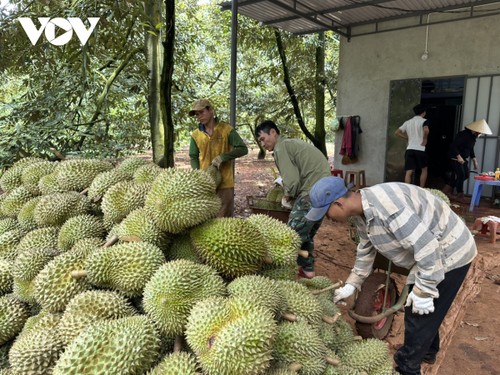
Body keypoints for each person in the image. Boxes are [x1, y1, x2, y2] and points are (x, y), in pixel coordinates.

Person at [305, 176, 477, 375]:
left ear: (338, 203)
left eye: (326, 213)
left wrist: (425, 289)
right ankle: (428, 351)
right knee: (426, 310)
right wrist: (353, 283)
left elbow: (428, 248)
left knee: (417, 311)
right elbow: (366, 247)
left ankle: (408, 367)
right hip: (430, 250)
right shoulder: (362, 212)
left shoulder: (388, 209)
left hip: (450, 250)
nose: (327, 218)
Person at [255, 120, 331, 279]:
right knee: (306, 233)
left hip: (311, 192)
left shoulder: (281, 147)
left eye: (263, 138)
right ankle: (308, 270)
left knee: (290, 236)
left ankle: (280, 274)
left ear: (273, 133)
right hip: (325, 192)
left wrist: (287, 195)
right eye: (260, 141)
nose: (263, 143)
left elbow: (293, 181)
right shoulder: (290, 144)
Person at [189, 99, 248, 217]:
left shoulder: (226, 130)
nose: (199, 117)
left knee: (223, 220)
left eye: (201, 112)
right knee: (205, 220)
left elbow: (243, 149)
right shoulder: (195, 135)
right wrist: (197, 173)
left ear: (211, 110)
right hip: (205, 183)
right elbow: (193, 156)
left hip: (225, 183)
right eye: (197, 115)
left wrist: (223, 157)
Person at [442, 119, 492, 202]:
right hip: (455, 158)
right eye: (479, 132)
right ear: (475, 130)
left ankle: (445, 191)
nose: (479, 134)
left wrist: (474, 160)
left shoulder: (473, 138)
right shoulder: (463, 135)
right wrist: (458, 157)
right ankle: (460, 195)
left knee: (466, 175)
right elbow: (453, 146)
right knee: (461, 175)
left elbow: (470, 149)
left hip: (463, 159)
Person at [394, 104, 429, 187]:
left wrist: (407, 138)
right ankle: (421, 189)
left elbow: (397, 132)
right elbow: (426, 130)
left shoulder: (408, 122)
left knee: (408, 171)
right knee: (424, 169)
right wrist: (425, 139)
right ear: (423, 113)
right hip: (420, 149)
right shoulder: (424, 121)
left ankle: (407, 189)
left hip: (409, 149)